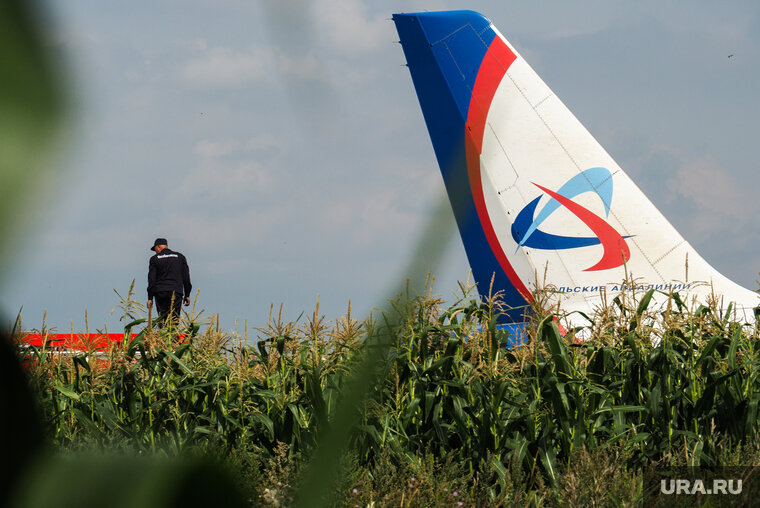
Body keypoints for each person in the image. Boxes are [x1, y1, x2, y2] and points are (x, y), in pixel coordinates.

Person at [147, 238, 192, 324]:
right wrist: (187, 294)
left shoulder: (154, 259)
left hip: (161, 292)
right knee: (174, 319)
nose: (155, 251)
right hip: (176, 292)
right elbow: (186, 277)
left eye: (155, 249)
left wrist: (150, 298)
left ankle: (162, 336)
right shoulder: (180, 257)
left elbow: (151, 279)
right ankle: (173, 336)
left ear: (158, 246)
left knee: (162, 319)